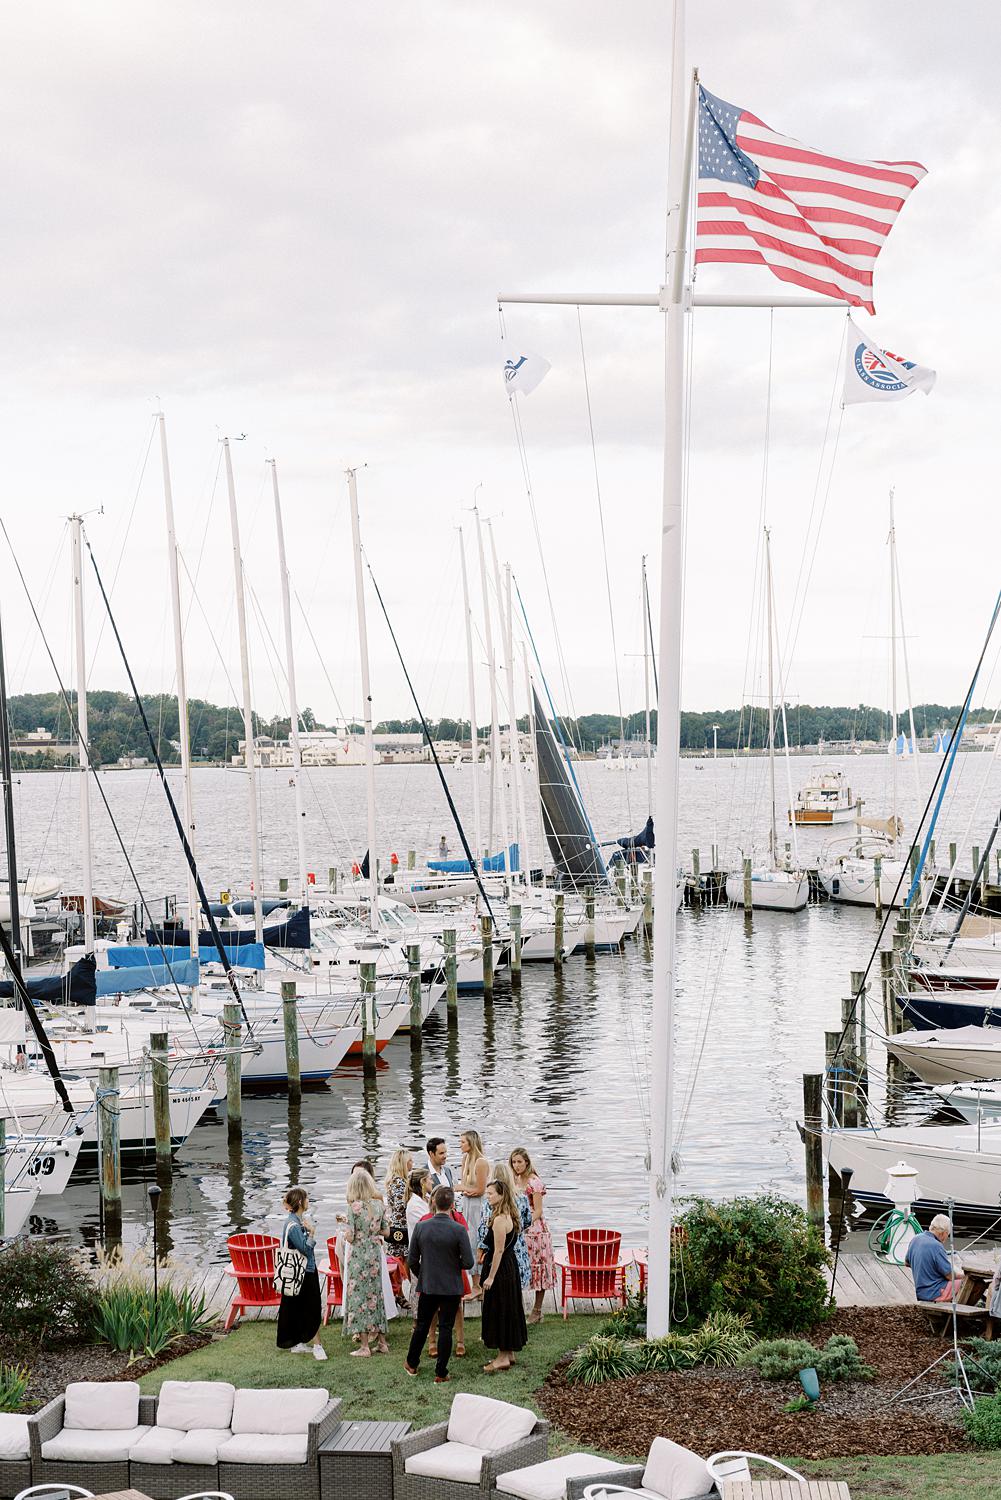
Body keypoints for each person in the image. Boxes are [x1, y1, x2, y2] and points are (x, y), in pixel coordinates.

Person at [405, 1185, 474, 1383]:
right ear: (452, 1205)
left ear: (433, 1202)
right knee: (446, 1327)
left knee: (422, 1325)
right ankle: (441, 1371)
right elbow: (468, 1262)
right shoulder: (459, 1229)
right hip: (451, 1285)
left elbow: (411, 1260)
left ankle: (411, 1363)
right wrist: (454, 1265)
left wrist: (423, 1273)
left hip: (428, 1284)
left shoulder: (421, 1227)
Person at [479, 1178, 528, 1373]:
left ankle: (501, 1357)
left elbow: (498, 1251)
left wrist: (490, 1277)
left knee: (499, 1309)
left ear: (501, 1195)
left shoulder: (500, 1220)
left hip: (500, 1269)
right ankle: (509, 1352)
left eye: (491, 1193)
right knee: (510, 1307)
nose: (487, 1196)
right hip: (510, 1266)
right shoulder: (510, 1215)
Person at [342, 1167, 391, 1356]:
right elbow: (386, 1232)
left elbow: (351, 1236)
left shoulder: (353, 1207)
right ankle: (382, 1342)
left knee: (359, 1298)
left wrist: (346, 1234)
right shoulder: (379, 1206)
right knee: (376, 1296)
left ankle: (364, 1347)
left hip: (358, 1257)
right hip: (374, 1254)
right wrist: (373, 1232)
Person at [275, 1186, 326, 1361]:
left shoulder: (295, 1221)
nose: (308, 1201)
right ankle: (317, 1345)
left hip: (297, 1272)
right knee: (312, 1307)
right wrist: (311, 1232)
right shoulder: (294, 1225)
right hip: (304, 1272)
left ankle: (298, 1342)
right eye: (306, 1199)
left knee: (298, 1307)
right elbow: (304, 1248)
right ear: (299, 1202)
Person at [510, 1146, 555, 1324]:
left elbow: (538, 1210)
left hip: (535, 1231)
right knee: (518, 1267)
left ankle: (537, 1310)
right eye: (514, 1162)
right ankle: (518, 1308)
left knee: (538, 1268)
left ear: (526, 1162)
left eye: (519, 1162)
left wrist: (525, 1223)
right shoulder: (514, 1180)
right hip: (518, 1227)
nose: (516, 1165)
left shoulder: (533, 1182)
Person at [477, 1161, 531, 1291]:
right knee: (515, 1289)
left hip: (497, 1249)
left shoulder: (489, 1201)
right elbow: (527, 1221)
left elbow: (485, 1228)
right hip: (516, 1246)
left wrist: (481, 1249)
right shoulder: (522, 1198)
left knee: (496, 1289)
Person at [906, 1215, 961, 1303]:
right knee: (969, 1283)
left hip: (919, 1291)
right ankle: (960, 1311)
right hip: (934, 1293)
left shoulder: (916, 1239)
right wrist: (963, 1274)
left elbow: (907, 1263)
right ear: (943, 1233)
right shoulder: (937, 1246)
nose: (947, 1238)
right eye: (948, 1234)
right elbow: (950, 1276)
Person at [459, 1130, 490, 1282]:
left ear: (471, 1143)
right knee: (468, 1239)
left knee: (478, 1239)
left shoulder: (481, 1162)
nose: (460, 1145)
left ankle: (480, 1282)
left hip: (479, 1205)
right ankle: (475, 1282)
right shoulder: (465, 1159)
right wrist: (465, 1189)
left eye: (463, 1142)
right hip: (467, 1203)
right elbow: (465, 1185)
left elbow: (480, 1189)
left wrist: (463, 1189)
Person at [385, 1147, 414, 1256]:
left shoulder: (397, 1180)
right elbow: (400, 1205)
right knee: (404, 1257)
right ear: (404, 1163)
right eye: (410, 1160)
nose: (412, 1163)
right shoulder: (399, 1182)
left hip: (397, 1223)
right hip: (401, 1226)